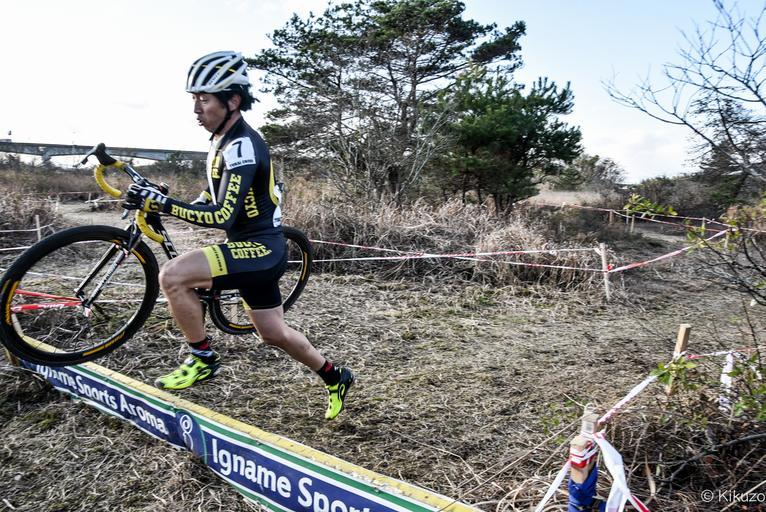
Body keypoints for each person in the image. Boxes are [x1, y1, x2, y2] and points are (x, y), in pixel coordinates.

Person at [122, 51, 354, 420]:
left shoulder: (241, 146)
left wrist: (164, 205)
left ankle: (202, 358)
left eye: (204, 99)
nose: (196, 109)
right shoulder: (222, 139)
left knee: (173, 276)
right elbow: (212, 198)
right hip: (254, 249)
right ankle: (335, 375)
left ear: (232, 101)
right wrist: (167, 199)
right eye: (194, 99)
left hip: (259, 249)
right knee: (273, 333)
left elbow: (220, 215)